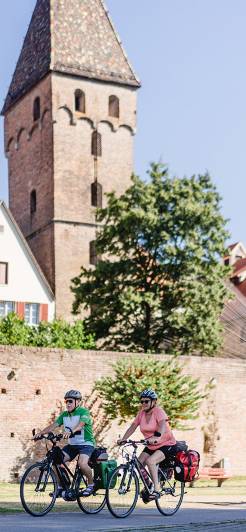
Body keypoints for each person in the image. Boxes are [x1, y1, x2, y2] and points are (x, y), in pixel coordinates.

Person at [34, 389, 96, 496]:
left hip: (86, 444)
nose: (68, 404)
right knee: (56, 461)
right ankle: (61, 486)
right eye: (66, 401)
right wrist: (41, 433)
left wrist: (72, 430)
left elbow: (81, 424)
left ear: (77, 402)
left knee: (82, 463)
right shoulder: (64, 415)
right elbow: (53, 425)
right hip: (72, 445)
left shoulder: (84, 412)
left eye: (70, 401)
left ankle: (91, 485)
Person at [118, 389, 177, 499]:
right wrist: (124, 439)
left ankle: (156, 489)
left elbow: (162, 425)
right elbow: (133, 426)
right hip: (151, 445)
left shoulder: (159, 412)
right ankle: (148, 485)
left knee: (150, 461)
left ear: (153, 402)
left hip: (166, 444)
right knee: (138, 463)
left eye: (146, 401)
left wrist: (157, 437)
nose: (143, 404)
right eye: (142, 401)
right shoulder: (141, 413)